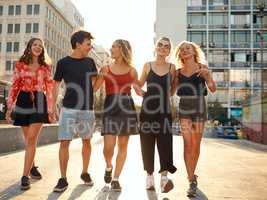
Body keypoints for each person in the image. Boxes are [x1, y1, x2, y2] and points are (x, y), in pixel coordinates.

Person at [5, 38, 54, 190]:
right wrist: (9, 107)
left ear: (43, 49)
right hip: (23, 100)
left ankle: (25, 176)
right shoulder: (20, 64)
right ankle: (32, 167)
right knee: (28, 140)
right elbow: (15, 85)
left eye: (40, 45)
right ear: (29, 46)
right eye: (35, 45)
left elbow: (50, 88)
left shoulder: (45, 67)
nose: (38, 47)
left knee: (32, 139)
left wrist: (51, 109)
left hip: (39, 100)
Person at [52, 30, 98, 193]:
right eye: (87, 43)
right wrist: (52, 107)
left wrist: (103, 76)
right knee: (65, 142)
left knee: (87, 141)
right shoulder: (63, 63)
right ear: (78, 44)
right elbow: (56, 85)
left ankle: (85, 173)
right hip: (69, 108)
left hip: (87, 109)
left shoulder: (90, 62)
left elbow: (93, 87)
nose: (89, 47)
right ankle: (63, 178)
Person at [93, 39, 141, 192]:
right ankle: (109, 166)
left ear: (122, 49)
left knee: (123, 145)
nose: (111, 49)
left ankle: (116, 178)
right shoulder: (105, 68)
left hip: (126, 107)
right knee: (108, 147)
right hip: (111, 106)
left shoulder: (133, 71)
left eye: (113, 46)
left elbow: (138, 90)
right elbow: (94, 89)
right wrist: (94, 76)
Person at [172, 40, 216, 197]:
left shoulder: (203, 68)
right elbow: (171, 92)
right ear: (180, 54)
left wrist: (208, 76)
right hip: (184, 106)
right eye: (182, 49)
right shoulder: (177, 72)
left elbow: (212, 88)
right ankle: (191, 179)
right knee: (187, 144)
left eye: (188, 48)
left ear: (194, 51)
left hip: (199, 105)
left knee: (196, 145)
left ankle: (192, 175)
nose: (185, 50)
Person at [138, 37, 177, 193]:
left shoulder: (172, 68)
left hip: (165, 111)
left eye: (166, 46)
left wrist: (164, 97)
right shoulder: (147, 66)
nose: (163, 48)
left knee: (165, 143)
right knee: (147, 142)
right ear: (155, 47)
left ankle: (164, 179)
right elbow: (138, 83)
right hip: (148, 110)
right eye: (160, 45)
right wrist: (143, 94)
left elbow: (173, 89)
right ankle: (149, 177)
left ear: (169, 51)